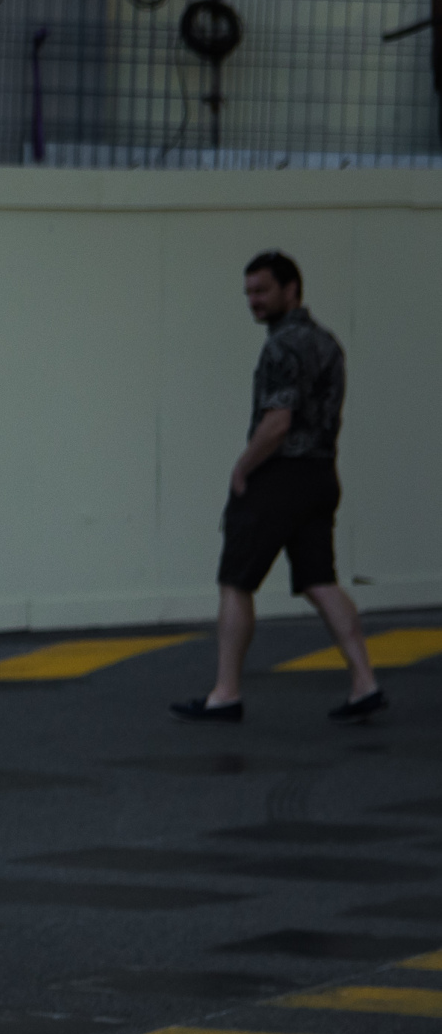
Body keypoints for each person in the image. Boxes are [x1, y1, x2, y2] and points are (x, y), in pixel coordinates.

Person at [171, 251, 384, 725]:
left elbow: (278, 422)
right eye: (248, 293)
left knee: (235, 581)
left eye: (262, 291)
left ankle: (225, 694)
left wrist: (243, 467)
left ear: (292, 289)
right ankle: (364, 682)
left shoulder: (280, 348)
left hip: (279, 475)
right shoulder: (329, 343)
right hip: (321, 475)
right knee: (319, 581)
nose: (253, 301)